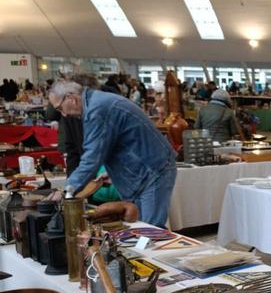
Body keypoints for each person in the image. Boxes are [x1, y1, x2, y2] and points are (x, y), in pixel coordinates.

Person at [51, 80, 177, 227]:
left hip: (152, 171)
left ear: (71, 98)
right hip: (146, 170)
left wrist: (68, 190)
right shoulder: (96, 103)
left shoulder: (97, 109)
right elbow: (119, 142)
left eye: (60, 108)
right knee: (141, 228)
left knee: (150, 230)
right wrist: (114, 172)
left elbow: (92, 157)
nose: (64, 114)